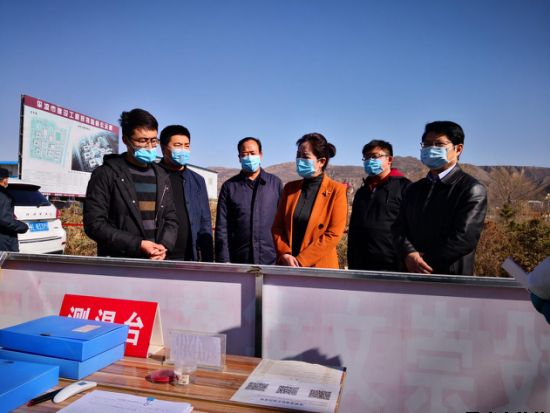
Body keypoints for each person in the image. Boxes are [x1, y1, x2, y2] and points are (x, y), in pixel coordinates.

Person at [394, 121, 487, 275]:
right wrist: (408, 253)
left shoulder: (471, 189)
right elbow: (398, 228)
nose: (431, 149)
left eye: (439, 144)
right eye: (427, 144)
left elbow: (464, 238)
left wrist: (422, 262)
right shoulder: (413, 189)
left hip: (449, 278)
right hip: (411, 274)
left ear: (458, 149)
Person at [84, 109, 178, 260]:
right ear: (126, 140)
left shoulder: (162, 176)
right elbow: (94, 224)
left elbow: (171, 218)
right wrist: (137, 244)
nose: (149, 146)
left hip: (157, 260)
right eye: (142, 140)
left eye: (153, 140)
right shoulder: (106, 174)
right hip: (121, 262)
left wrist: (164, 245)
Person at [272, 133, 348, 269]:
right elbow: (277, 227)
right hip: (287, 266)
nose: (300, 160)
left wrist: (301, 261)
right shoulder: (290, 188)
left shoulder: (337, 191)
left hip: (319, 267)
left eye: (305, 157)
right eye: (298, 155)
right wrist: (284, 253)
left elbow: (333, 234)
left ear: (321, 161)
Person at [215, 137, 283, 264]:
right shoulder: (229, 187)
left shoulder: (275, 184)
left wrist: (283, 255)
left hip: (270, 260)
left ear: (260, 155)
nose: (249, 158)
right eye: (245, 154)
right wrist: (224, 261)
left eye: (252, 153)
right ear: (239, 157)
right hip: (239, 260)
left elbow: (283, 223)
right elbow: (222, 228)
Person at [347, 140, 410, 271]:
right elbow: (353, 229)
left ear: (389, 159)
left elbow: (411, 227)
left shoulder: (405, 187)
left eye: (375, 156)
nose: (369, 161)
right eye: (366, 157)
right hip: (361, 264)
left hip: (393, 265)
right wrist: (352, 261)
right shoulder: (362, 192)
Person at [159, 125, 213, 261]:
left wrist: (207, 257)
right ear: (163, 148)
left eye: (186, 146)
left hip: (190, 255)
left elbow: (205, 221)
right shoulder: (154, 176)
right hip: (160, 255)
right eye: (177, 145)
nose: (183, 150)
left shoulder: (197, 181)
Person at [0, 168, 28, 251]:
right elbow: (4, 218)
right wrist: (23, 227)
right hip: (4, 238)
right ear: (5, 179)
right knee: (8, 259)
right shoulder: (3, 195)